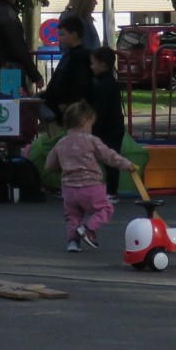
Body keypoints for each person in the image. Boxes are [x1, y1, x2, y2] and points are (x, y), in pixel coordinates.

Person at [48, 100, 137, 252]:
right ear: (84, 122)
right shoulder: (91, 140)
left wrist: (61, 167)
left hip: (69, 189)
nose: (91, 128)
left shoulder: (61, 143)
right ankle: (89, 229)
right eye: (90, 124)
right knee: (105, 208)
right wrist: (126, 164)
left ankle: (73, 242)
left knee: (73, 216)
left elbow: (50, 165)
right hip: (91, 186)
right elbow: (109, 156)